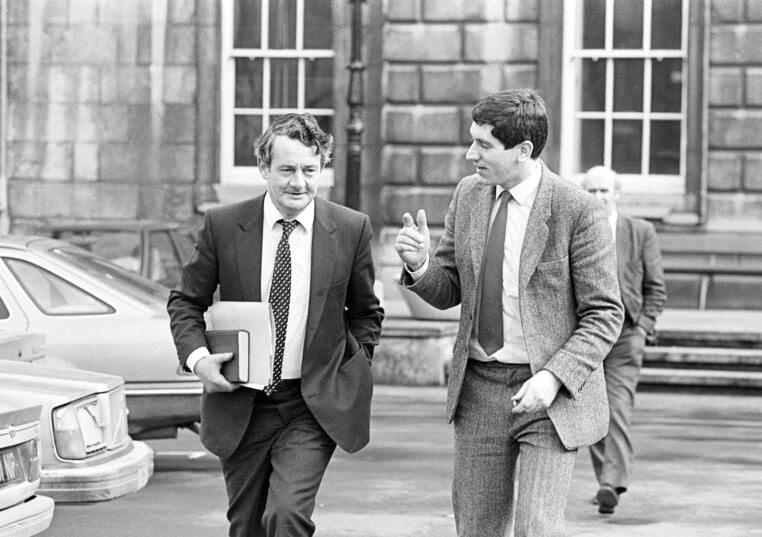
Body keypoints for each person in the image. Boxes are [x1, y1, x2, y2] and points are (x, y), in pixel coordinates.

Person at [394, 88, 624, 536]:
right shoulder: (469, 195)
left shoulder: (578, 210)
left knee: (537, 528)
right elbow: (449, 290)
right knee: (477, 528)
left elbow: (604, 314)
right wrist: (420, 263)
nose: (469, 153)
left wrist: (553, 377)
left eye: (483, 144)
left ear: (523, 150)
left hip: (550, 395)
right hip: (479, 388)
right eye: (472, 140)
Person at [167, 113, 384, 537]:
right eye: (286, 170)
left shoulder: (351, 228)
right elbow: (185, 302)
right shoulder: (224, 225)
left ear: (322, 167)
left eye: (309, 169)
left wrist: (351, 369)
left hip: (310, 404)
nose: (298, 182)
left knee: (286, 518)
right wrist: (199, 361)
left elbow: (365, 312)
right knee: (246, 525)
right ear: (265, 169)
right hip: (241, 401)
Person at [582, 165, 667, 515]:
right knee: (592, 411)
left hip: (626, 334)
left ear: (617, 193)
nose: (599, 197)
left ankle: (609, 483)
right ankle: (608, 479)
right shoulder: (577, 230)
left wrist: (643, 328)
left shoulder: (640, 231)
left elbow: (655, 288)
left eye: (605, 191)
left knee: (616, 406)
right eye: (592, 191)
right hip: (586, 335)